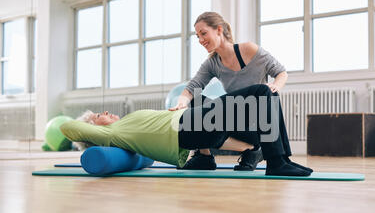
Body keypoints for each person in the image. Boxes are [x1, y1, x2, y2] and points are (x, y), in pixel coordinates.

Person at [60, 84, 313, 177]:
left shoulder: (122, 126)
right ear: (92, 129)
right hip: (188, 127)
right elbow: (67, 126)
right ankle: (278, 162)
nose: (104, 113)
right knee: (260, 92)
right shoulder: (112, 135)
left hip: (195, 125)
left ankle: (280, 159)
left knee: (264, 107)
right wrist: (88, 122)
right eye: (97, 116)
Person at [169, 11, 289, 171]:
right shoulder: (212, 63)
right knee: (196, 99)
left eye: (203, 33)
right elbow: (192, 87)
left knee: (256, 94)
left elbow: (281, 72)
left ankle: (254, 149)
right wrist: (181, 103)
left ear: (219, 30)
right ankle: (204, 156)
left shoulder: (249, 50)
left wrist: (275, 86)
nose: (200, 40)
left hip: (256, 126)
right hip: (235, 121)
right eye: (197, 36)